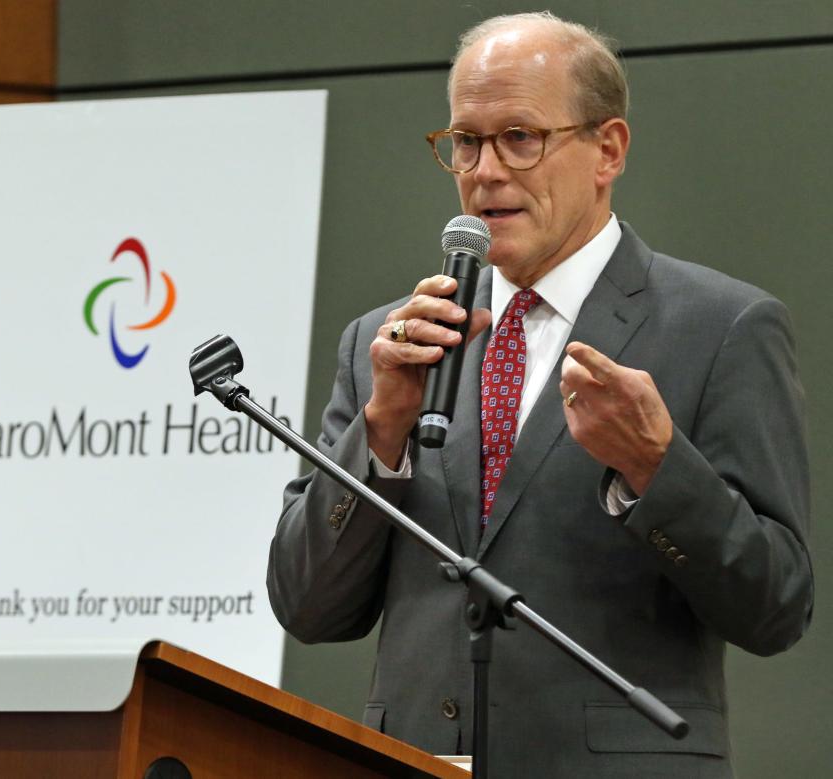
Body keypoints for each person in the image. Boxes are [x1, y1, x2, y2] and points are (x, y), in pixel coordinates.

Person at [267, 11, 812, 777]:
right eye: (465, 140)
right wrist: (381, 424)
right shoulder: (384, 345)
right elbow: (306, 605)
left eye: (520, 136)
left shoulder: (720, 328)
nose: (484, 170)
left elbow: (777, 603)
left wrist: (657, 471)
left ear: (607, 149)